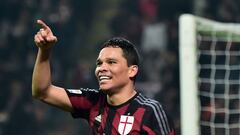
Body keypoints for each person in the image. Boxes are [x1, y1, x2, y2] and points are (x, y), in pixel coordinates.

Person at [32, 19, 175, 135]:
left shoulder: (150, 111)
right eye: (99, 63)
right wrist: (44, 51)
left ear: (132, 71)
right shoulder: (92, 101)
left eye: (111, 62)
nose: (102, 68)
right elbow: (42, 92)